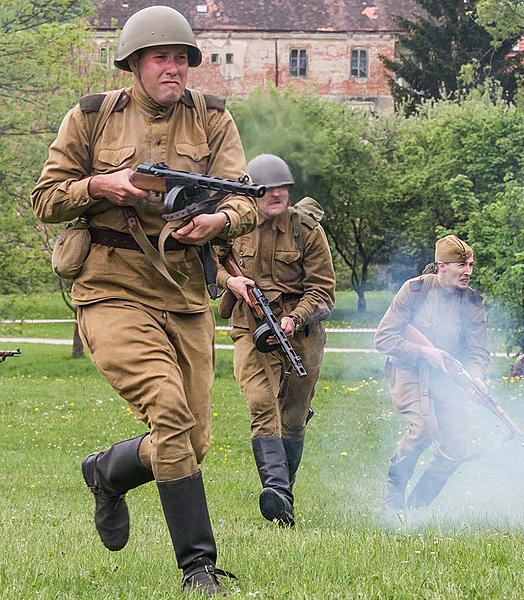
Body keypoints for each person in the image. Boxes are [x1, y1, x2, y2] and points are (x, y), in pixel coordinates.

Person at [31, 6, 257, 594]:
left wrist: (218, 222)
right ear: (134, 62)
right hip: (111, 289)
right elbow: (45, 199)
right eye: (161, 57)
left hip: (184, 294)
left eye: (182, 58)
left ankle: (107, 472)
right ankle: (198, 567)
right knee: (168, 411)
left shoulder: (213, 120)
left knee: (193, 441)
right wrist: (98, 186)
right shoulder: (91, 118)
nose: (173, 68)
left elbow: (246, 201)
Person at [216, 154, 335, 526]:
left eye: (283, 189)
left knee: (294, 417)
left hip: (300, 333)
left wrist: (294, 318)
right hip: (248, 327)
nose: (277, 195)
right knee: (260, 403)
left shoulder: (306, 229)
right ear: (253, 192)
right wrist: (230, 281)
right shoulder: (233, 224)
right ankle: (276, 491)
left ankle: (284, 495)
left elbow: (323, 291)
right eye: (269, 190)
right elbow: (209, 260)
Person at [374, 235, 490, 510]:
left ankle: (418, 505)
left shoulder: (472, 302)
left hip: (447, 376)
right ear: (441, 266)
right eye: (461, 265)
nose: (468, 272)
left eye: (471, 265)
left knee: (456, 448)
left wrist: (476, 377)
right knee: (424, 427)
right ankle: (393, 493)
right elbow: (383, 339)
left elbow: (478, 351)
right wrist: (426, 353)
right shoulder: (414, 291)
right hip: (408, 370)